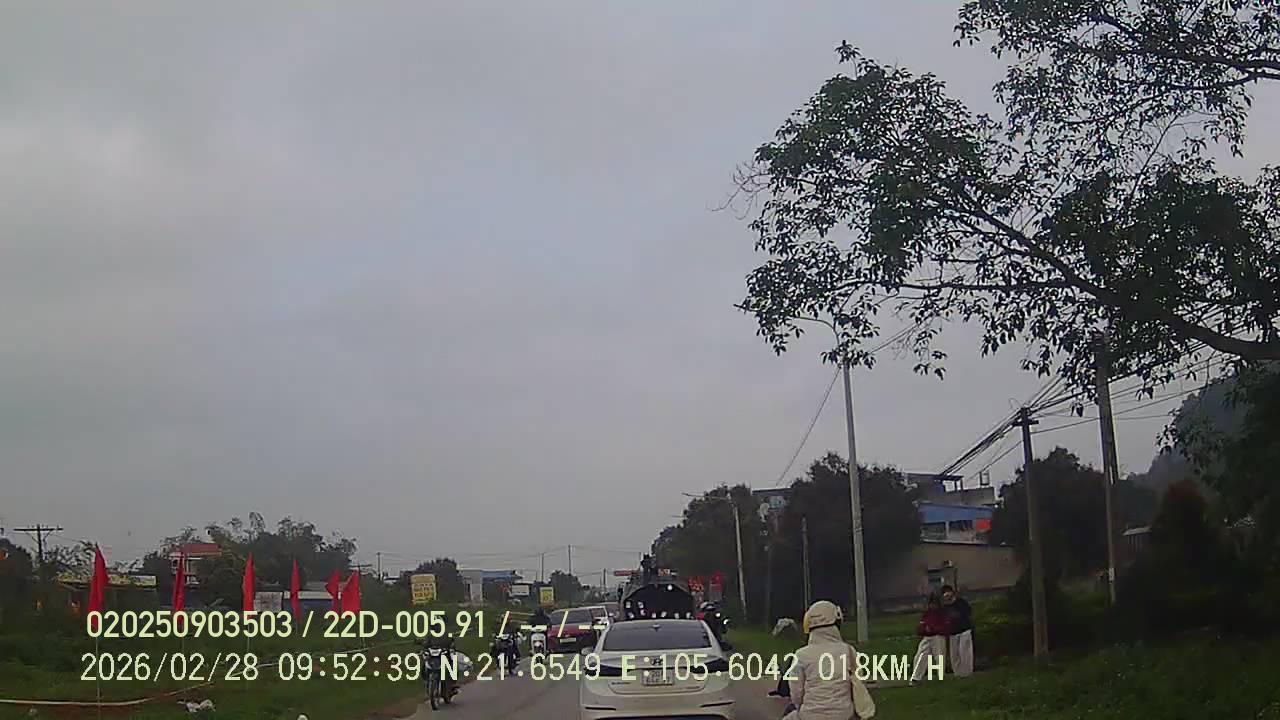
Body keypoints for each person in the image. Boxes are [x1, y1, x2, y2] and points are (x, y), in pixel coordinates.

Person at [778, 600, 876, 720]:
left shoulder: (801, 655)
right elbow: (859, 682)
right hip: (844, 715)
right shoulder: (848, 651)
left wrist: (803, 708)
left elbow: (796, 694)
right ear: (837, 623)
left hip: (810, 716)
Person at [909, 593, 949, 685]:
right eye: (931, 603)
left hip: (938, 636)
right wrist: (923, 629)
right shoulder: (927, 613)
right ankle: (916, 677)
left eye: (934, 604)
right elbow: (921, 626)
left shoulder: (942, 613)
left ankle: (940, 676)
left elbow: (945, 627)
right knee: (920, 655)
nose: (932, 606)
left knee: (939, 656)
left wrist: (933, 629)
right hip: (927, 636)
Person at [940, 585, 974, 677]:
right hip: (953, 633)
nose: (946, 595)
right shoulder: (945, 607)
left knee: (965, 652)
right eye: (944, 593)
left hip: (964, 631)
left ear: (952, 592)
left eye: (948, 592)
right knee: (954, 655)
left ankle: (967, 673)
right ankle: (958, 673)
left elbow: (968, 612)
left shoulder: (961, 602)